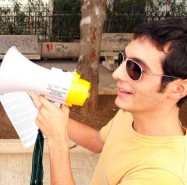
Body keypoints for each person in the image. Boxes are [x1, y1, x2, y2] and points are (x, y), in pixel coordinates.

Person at [30, 18, 187, 184]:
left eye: (135, 69)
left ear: (178, 89)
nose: (117, 74)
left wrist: (58, 142)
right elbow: (97, 141)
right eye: (123, 60)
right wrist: (52, 116)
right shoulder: (131, 114)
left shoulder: (162, 176)